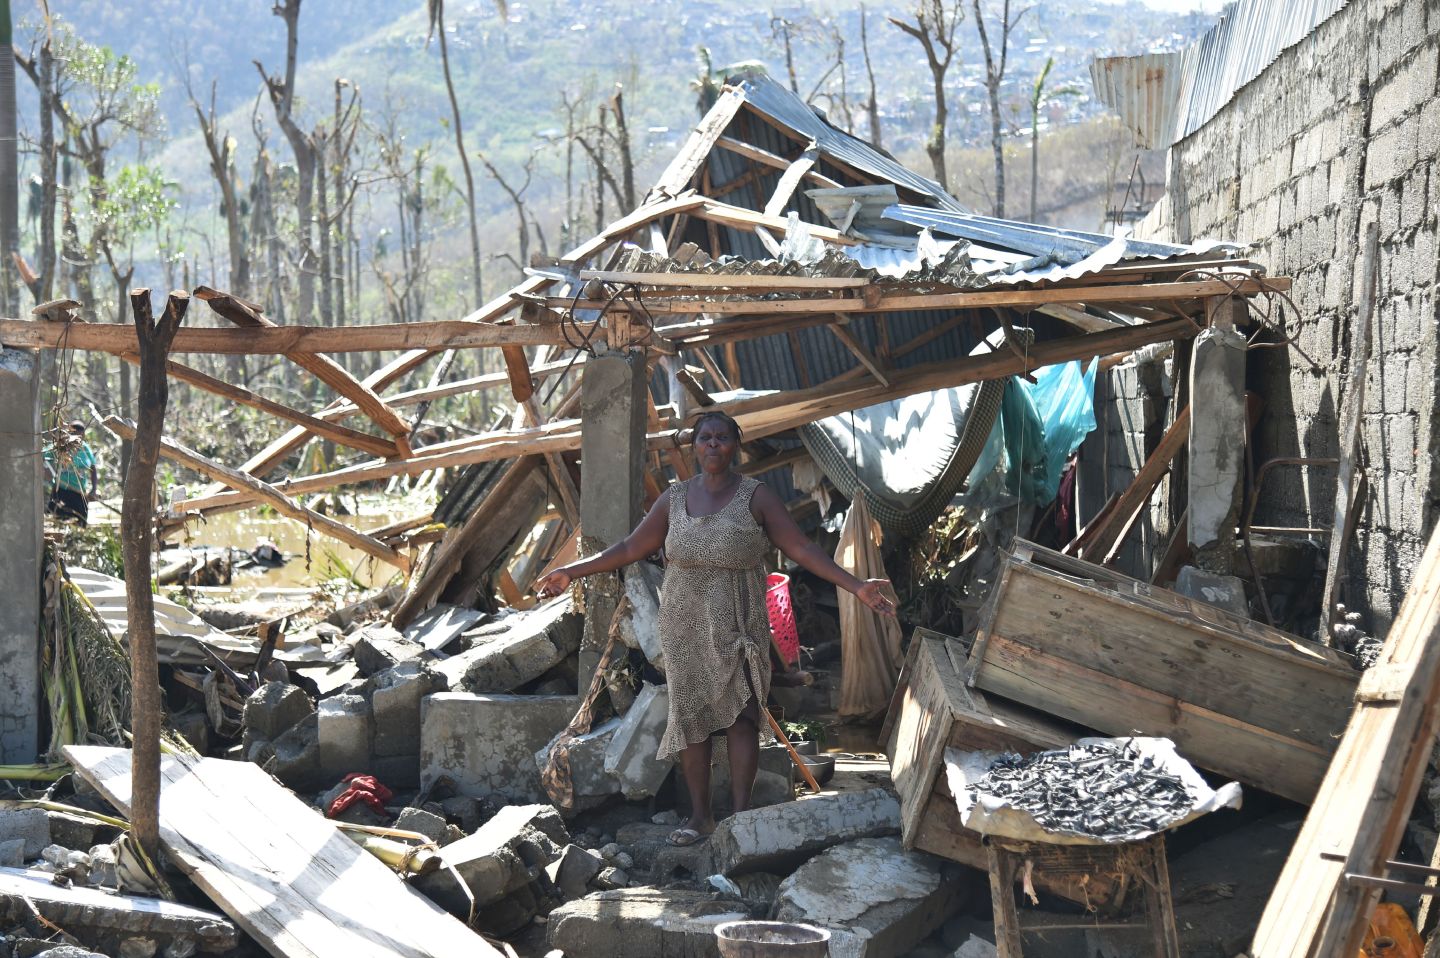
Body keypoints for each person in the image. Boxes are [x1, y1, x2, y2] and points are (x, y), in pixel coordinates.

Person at [536, 410, 895, 847]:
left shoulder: (756, 497)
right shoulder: (673, 499)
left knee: (744, 715)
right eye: (704, 437)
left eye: (721, 437)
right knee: (692, 720)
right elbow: (631, 546)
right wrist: (571, 571)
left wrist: (856, 586)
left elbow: (800, 547)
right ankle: (700, 817)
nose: (712, 444)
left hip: (739, 619)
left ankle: (741, 819)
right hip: (684, 623)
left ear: (734, 445)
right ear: (694, 447)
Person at [44, 421, 98, 526]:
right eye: (74, 435)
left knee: (79, 523)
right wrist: (47, 473)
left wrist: (94, 489)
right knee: (58, 521)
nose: (78, 439)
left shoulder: (85, 449)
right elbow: (42, 456)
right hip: (61, 491)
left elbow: (93, 467)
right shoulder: (59, 447)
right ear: (68, 433)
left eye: (81, 436)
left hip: (79, 492)